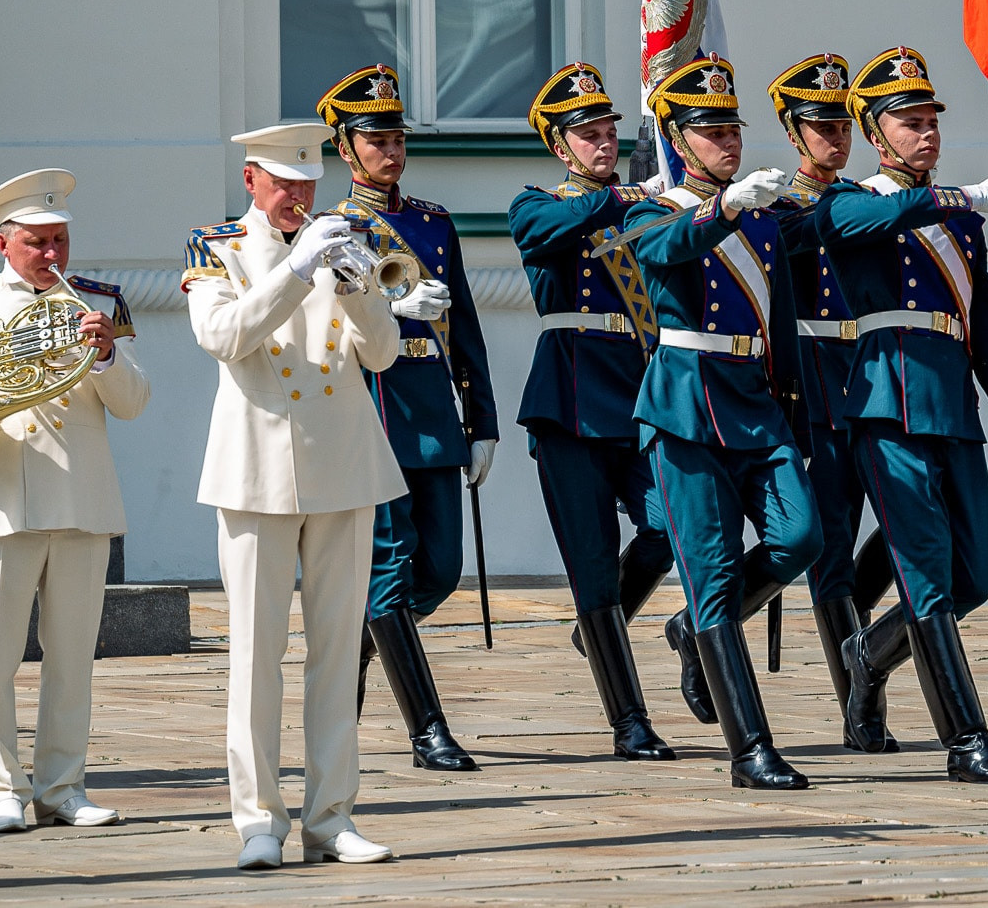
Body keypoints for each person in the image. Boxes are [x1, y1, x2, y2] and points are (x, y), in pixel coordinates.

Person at [186, 123, 404, 869]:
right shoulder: (214, 248)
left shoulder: (342, 239)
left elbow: (383, 353)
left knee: (339, 652)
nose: (298, 199)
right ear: (251, 181)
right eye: (284, 186)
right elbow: (224, 335)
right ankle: (257, 820)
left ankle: (331, 815)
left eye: (308, 187)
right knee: (256, 652)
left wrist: (358, 287)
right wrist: (294, 272)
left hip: (343, 463)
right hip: (256, 469)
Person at [0, 169, 149, 833]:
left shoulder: (99, 302)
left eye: (61, 240)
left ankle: (64, 787)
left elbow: (132, 404)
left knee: (73, 661)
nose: (52, 256)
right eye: (38, 242)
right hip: (0, 500)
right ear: (3, 243)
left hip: (82, 500)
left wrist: (105, 358)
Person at [820, 47, 988, 785]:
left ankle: (865, 653)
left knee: (972, 579)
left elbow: (985, 318)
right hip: (886, 406)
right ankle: (966, 741)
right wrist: (968, 197)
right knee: (927, 582)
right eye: (910, 123)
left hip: (952, 408)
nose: (928, 134)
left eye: (932, 121)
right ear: (876, 136)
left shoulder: (961, 219)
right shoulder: (848, 202)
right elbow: (867, 223)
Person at [624, 56, 818, 790]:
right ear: (676, 136)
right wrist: (727, 208)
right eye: (710, 131)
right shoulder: (653, 209)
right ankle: (751, 749)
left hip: (756, 397)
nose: (728, 141)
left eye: (733, 128)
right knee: (709, 573)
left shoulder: (764, 217)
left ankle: (688, 636)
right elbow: (664, 249)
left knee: (800, 537)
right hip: (686, 402)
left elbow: (784, 317)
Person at [315, 65, 493, 774]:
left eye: (396, 139)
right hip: (371, 408)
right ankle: (428, 732)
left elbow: (466, 323)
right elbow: (323, 325)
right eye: (375, 140)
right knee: (388, 569)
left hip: (432, 413)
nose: (390, 152)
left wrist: (482, 419)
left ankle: (351, 652)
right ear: (346, 149)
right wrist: (387, 311)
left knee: (441, 570)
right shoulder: (330, 230)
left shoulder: (432, 221)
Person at [506, 63, 678, 760]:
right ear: (559, 146)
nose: (602, 143)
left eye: (608, 131)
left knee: (668, 526)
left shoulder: (641, 207)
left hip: (639, 394)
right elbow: (559, 224)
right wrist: (635, 192)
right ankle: (629, 719)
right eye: (587, 134)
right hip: (571, 401)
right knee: (590, 565)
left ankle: (598, 628)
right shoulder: (536, 202)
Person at [765, 54, 902, 752]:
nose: (836, 138)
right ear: (793, 131)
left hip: (872, 371)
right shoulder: (779, 206)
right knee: (830, 545)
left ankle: (863, 642)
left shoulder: (866, 198)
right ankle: (861, 704)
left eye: (844, 125)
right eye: (821, 126)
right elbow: (784, 251)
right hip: (814, 375)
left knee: (905, 524)